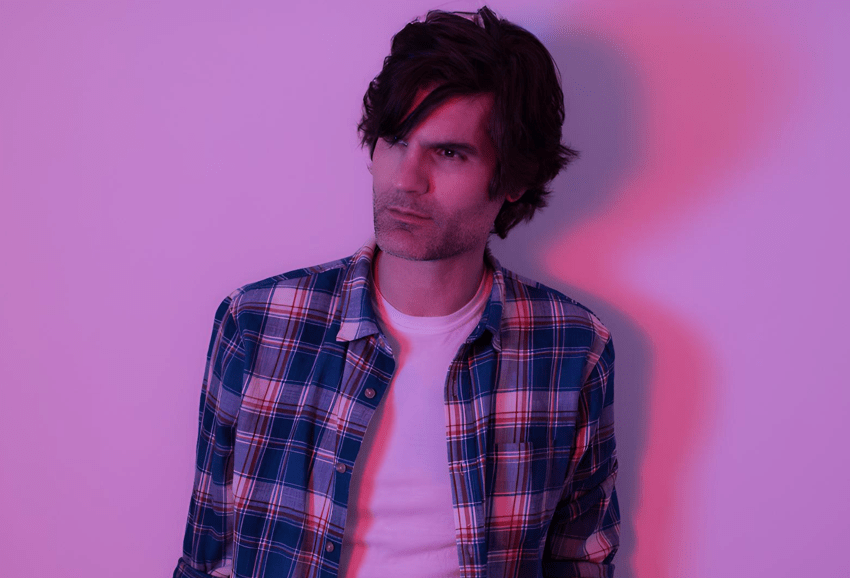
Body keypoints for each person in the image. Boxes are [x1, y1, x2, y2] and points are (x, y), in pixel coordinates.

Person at [174, 6, 618, 578]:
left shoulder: (571, 346)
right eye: (396, 140)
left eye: (448, 152)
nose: (406, 180)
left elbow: (580, 559)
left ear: (513, 179)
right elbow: (207, 554)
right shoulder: (257, 323)